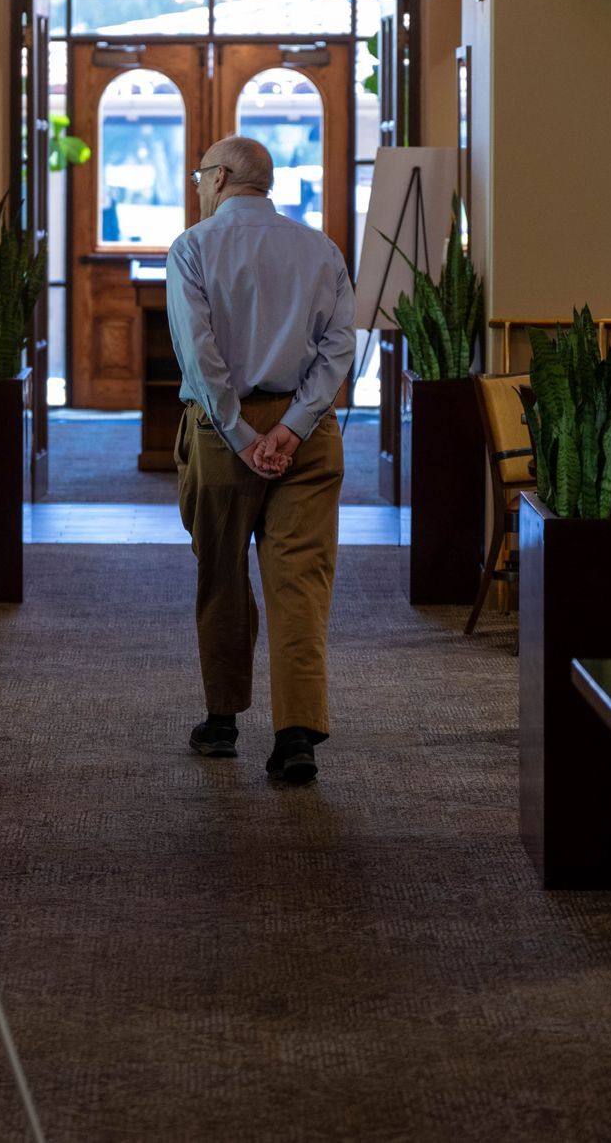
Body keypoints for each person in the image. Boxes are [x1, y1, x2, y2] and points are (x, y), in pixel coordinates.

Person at [166, 135, 355, 786]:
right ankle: (296, 735)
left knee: (221, 574)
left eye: (199, 174)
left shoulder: (193, 247)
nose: (197, 185)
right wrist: (295, 427)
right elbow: (338, 349)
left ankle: (222, 723)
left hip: (225, 434)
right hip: (307, 435)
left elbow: (200, 354)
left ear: (220, 178)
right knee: (300, 579)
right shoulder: (320, 248)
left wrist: (244, 434)